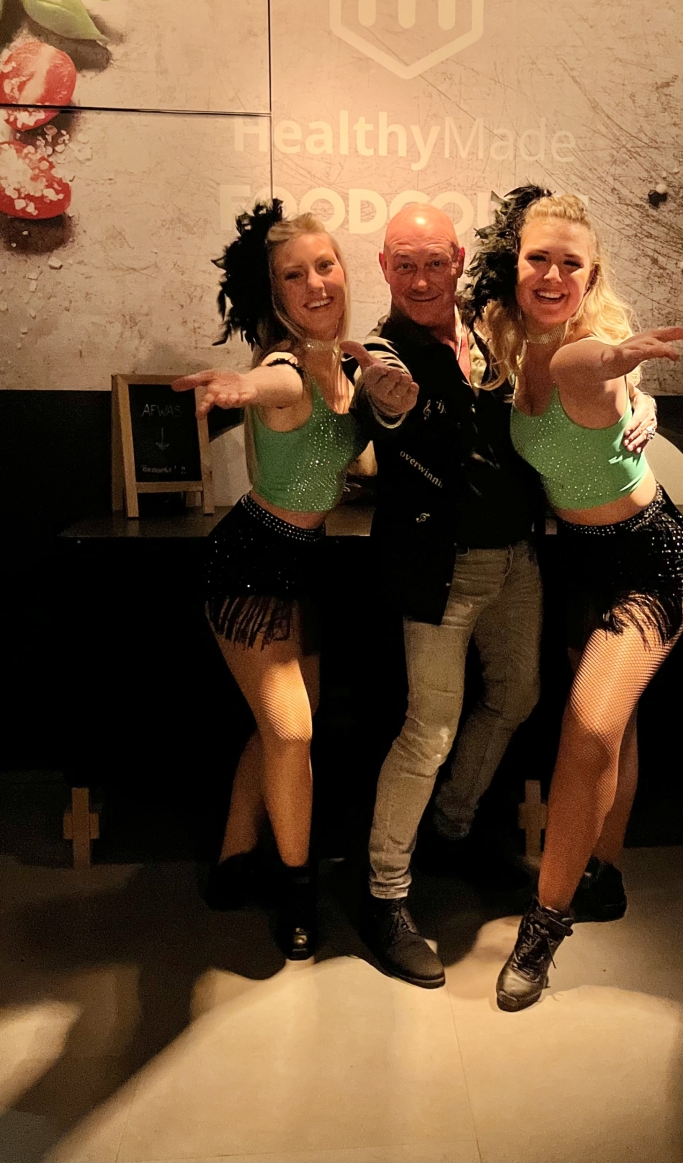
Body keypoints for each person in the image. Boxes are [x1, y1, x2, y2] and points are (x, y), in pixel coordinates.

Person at [344, 203, 659, 990]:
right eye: (404, 263)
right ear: (384, 268)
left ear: (458, 260)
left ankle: (453, 831)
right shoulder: (384, 352)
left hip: (518, 559)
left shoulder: (494, 329)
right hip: (440, 569)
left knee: (518, 696)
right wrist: (390, 405)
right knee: (430, 728)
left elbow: (584, 375)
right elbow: (386, 405)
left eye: (434, 262)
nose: (421, 278)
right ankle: (384, 893)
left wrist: (641, 400)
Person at [465, 186, 683, 1011]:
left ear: (591, 275)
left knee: (590, 726)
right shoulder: (505, 341)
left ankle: (544, 924)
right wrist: (639, 396)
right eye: (539, 258)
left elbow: (593, 363)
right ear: (516, 264)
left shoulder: (583, 349)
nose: (553, 274)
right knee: (615, 726)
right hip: (578, 562)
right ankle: (605, 874)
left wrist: (626, 368)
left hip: (650, 561)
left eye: (572, 263)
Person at [172, 202, 412, 959]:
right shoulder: (283, 367)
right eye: (294, 276)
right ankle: (297, 892)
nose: (315, 284)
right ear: (275, 297)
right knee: (293, 731)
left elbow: (354, 452)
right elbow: (267, 386)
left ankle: (231, 864)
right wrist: (238, 389)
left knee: (276, 728)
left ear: (343, 272)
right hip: (250, 565)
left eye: (324, 266)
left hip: (305, 565)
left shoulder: (350, 365)